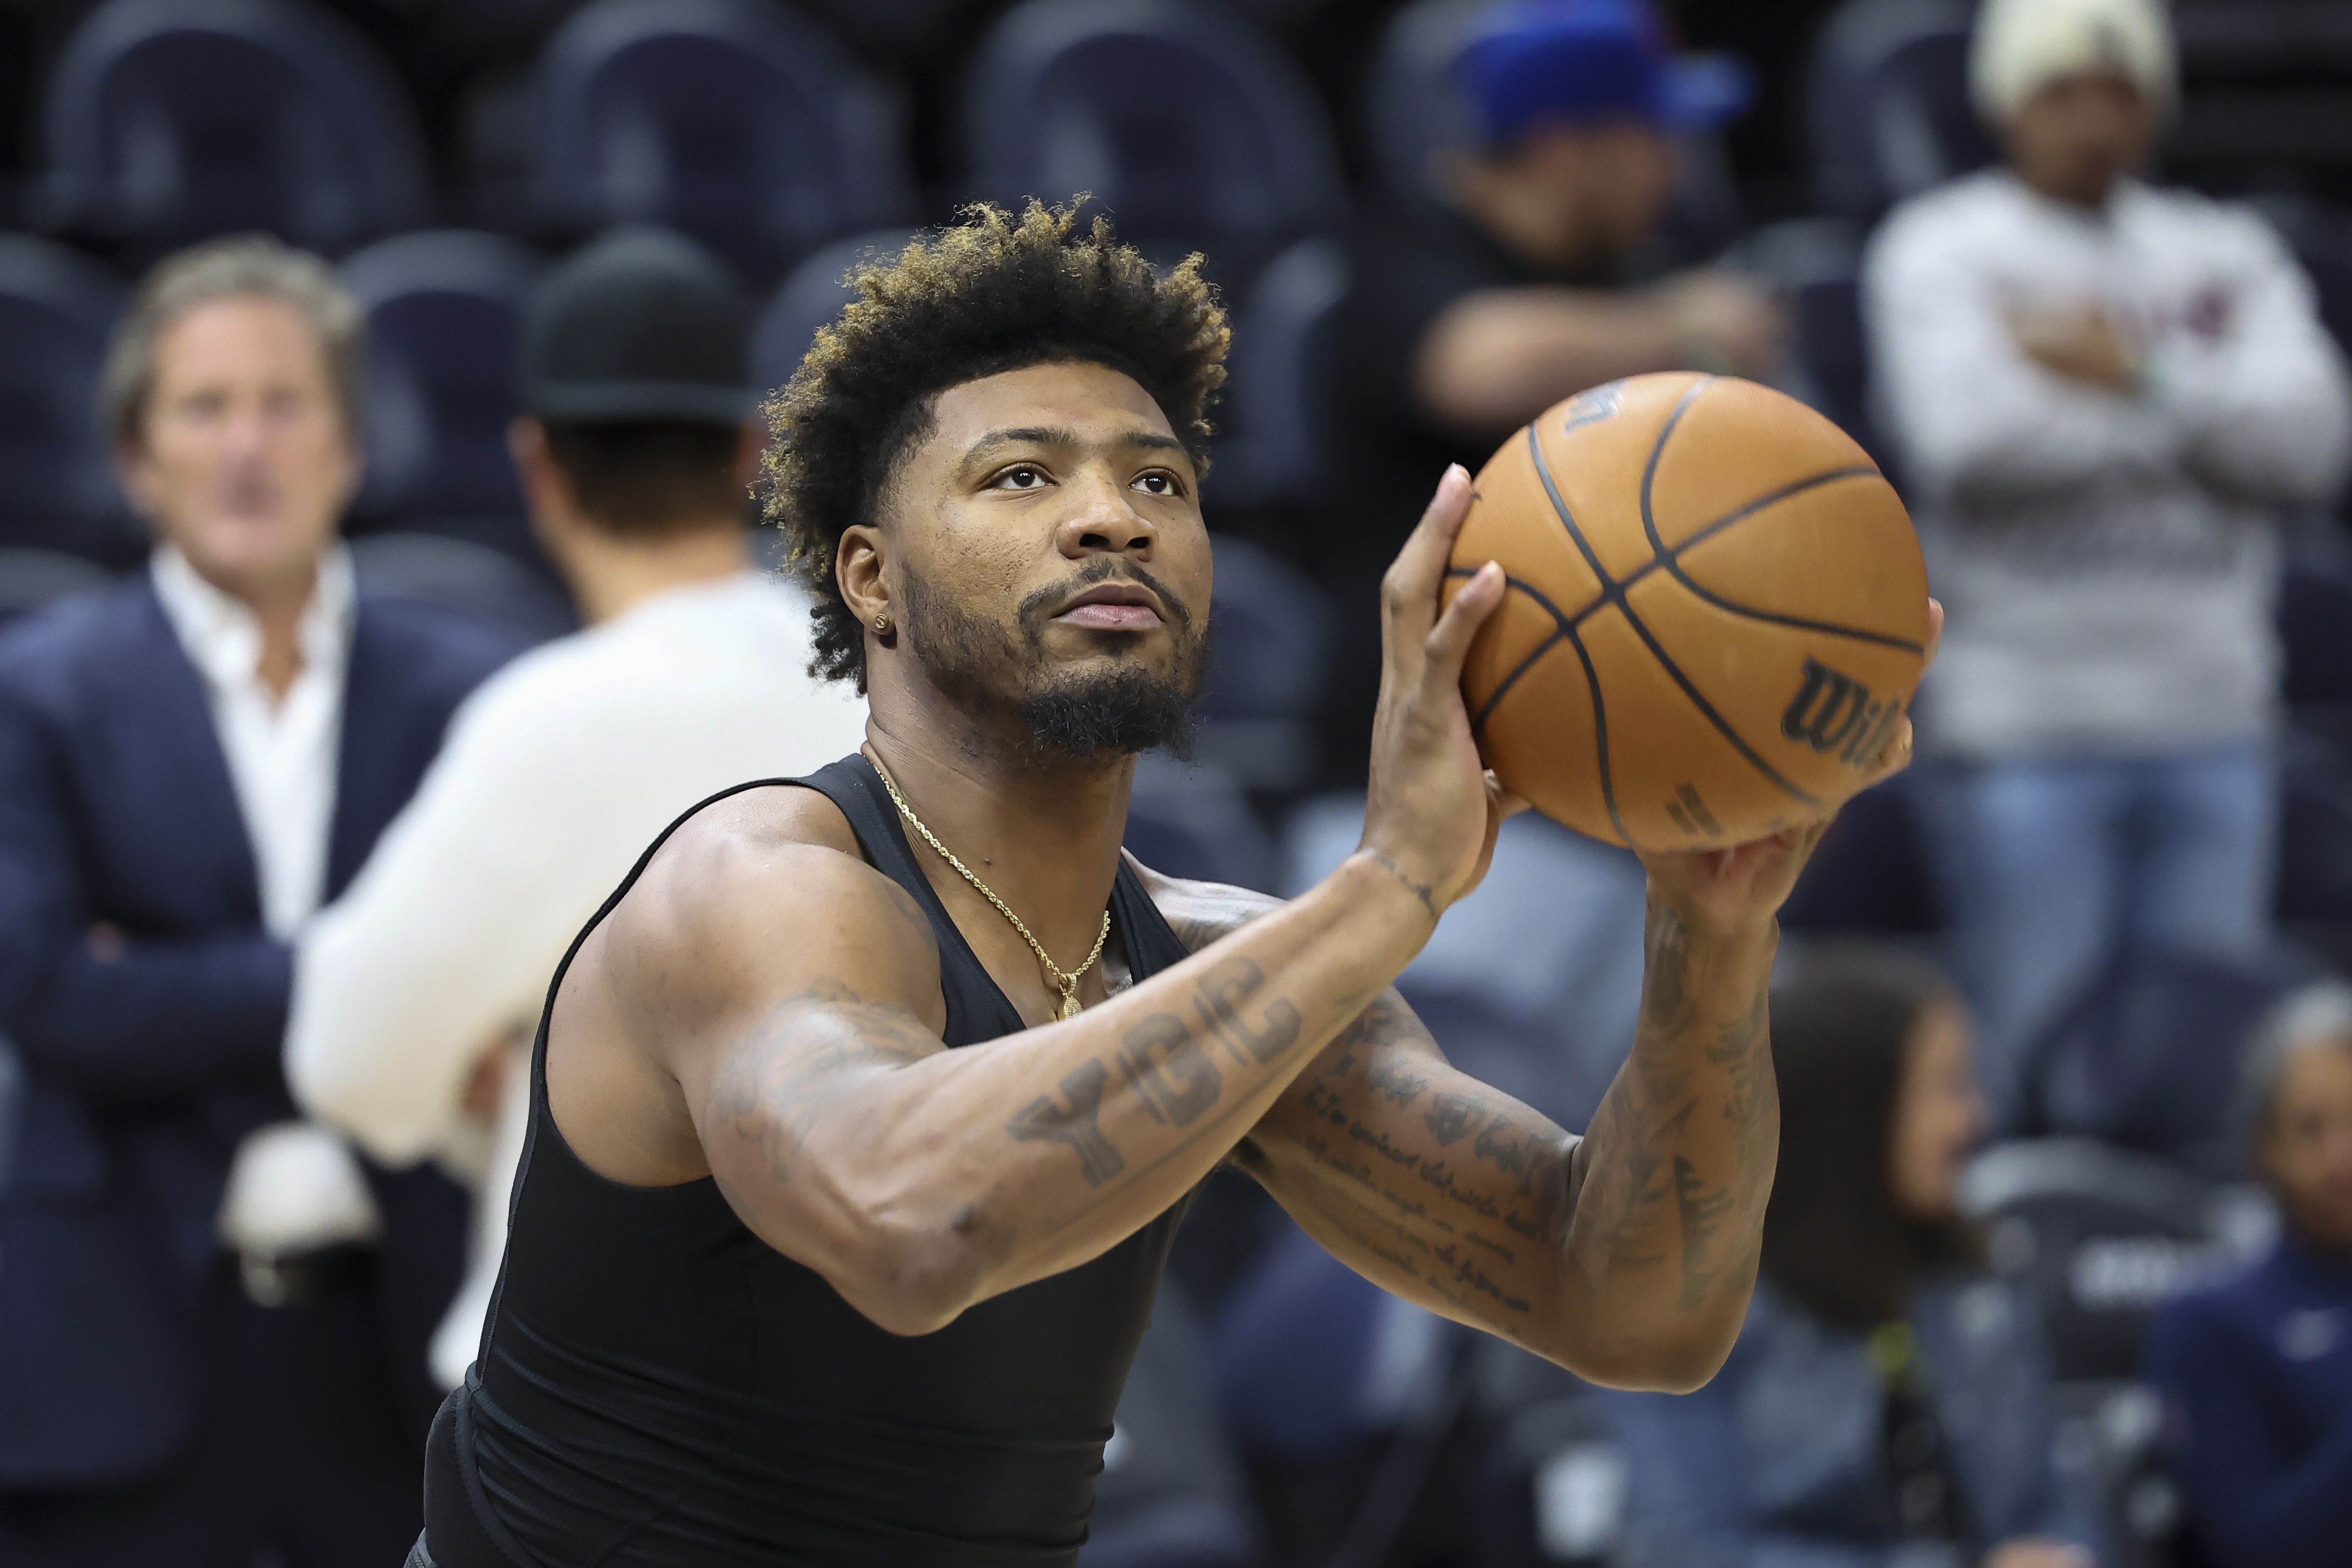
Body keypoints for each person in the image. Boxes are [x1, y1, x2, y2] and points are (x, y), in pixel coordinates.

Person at [407, 200, 1927, 1568]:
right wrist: (1388, 888)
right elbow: (906, 1222)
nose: (1111, 513)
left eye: (1158, 478)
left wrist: (1708, 929)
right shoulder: (756, 885)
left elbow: (1632, 1311)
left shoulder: (1218, 960)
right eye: (1020, 474)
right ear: (869, 578)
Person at [0, 236, 519, 1566]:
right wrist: (373, 981)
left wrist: (163, 980)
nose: (247, 446)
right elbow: (52, 999)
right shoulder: (35, 690)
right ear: (136, 458)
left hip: (405, 1346)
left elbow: (516, 985)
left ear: (350, 445)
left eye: (285, 404)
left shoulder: (474, 689)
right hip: (125, 1340)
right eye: (203, 407)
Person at [285, 228, 867, 1389]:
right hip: (905, 1376)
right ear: (752, 453)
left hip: (616, 1400)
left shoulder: (552, 718)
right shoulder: (891, 680)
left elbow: (348, 1059)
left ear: (536, 463)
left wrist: (506, 1074)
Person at [1862, 0, 2352, 1119]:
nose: (2091, 120)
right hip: (2025, 726)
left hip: (2213, 716)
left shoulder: (2225, 248)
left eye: (2119, 92)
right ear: (2004, 104)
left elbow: (2310, 444)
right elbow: (1970, 443)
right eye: (2059, 93)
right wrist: (2204, 429)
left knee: (2212, 1071)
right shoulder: (1942, 245)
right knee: (2027, 1062)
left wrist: (2132, 374)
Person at [1316, 0, 1783, 777]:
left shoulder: (1629, 269)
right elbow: (1477, 364)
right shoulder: (1400, 248)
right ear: (1564, 147)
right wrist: (1680, 329)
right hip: (1420, 768)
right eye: (1654, 138)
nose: (1675, 171)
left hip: (1605, 751)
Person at [1604, 951, 2104, 1568]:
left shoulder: (1976, 1281)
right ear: (1855, 1115)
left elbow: (2057, 1503)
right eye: (1949, 1087)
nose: (1977, 1118)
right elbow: (1685, 1553)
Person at [2144, 980, 2352, 1568]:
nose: (2342, 1158)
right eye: (2311, 1129)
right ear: (2263, 1150)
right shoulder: (2209, 1320)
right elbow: (2249, 1548)